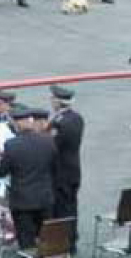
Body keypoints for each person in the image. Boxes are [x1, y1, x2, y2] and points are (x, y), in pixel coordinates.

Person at [0, 106, 57, 250]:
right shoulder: (48, 141)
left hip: (22, 202)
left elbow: (2, 172)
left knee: (26, 242)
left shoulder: (11, 145)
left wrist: (1, 159)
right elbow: (54, 167)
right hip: (44, 198)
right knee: (46, 238)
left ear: (15, 124)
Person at [48, 86, 84, 252]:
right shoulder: (77, 118)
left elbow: (53, 146)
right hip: (73, 171)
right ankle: (71, 240)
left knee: (62, 210)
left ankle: (65, 244)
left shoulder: (59, 123)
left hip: (61, 174)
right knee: (71, 207)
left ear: (57, 101)